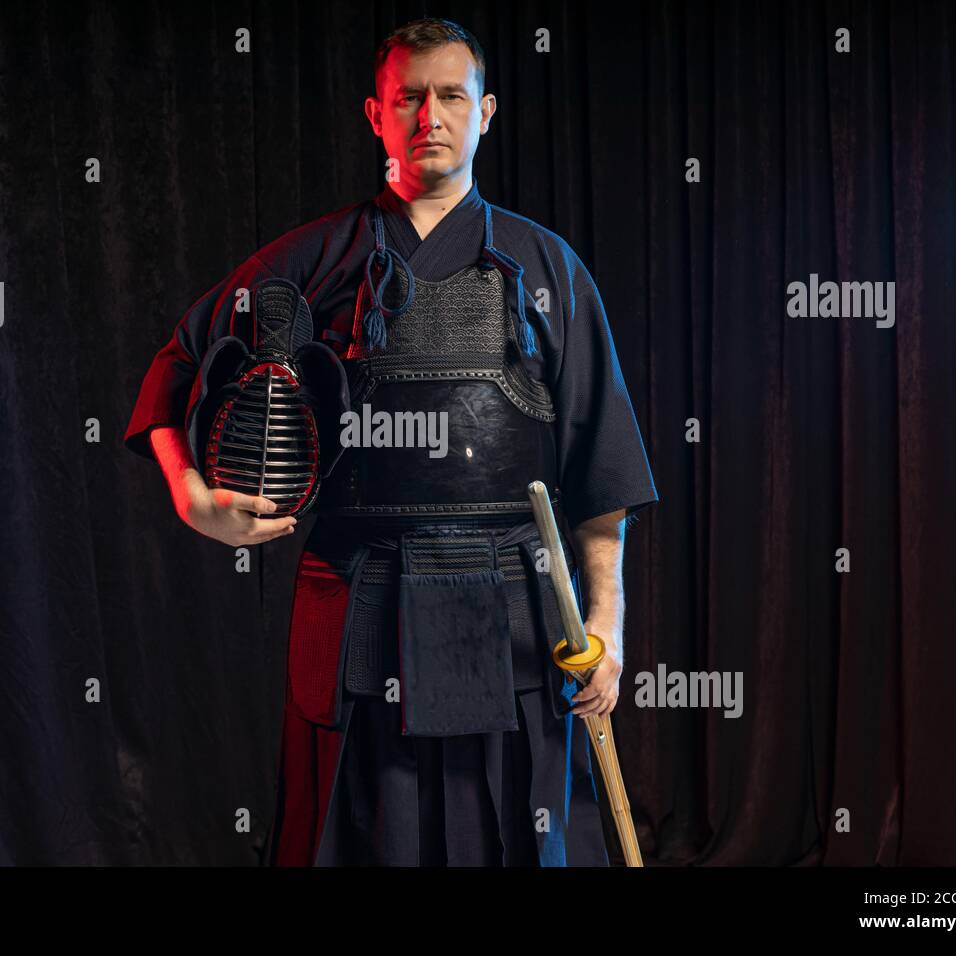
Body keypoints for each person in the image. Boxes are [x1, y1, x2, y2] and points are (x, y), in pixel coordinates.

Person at [124, 17, 658, 866]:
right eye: (409, 97)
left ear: (487, 112)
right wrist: (193, 498)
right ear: (377, 114)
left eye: (451, 95)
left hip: (516, 621)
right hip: (359, 614)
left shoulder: (548, 269)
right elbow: (176, 368)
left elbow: (603, 472)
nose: (430, 115)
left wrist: (609, 622)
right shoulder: (313, 262)